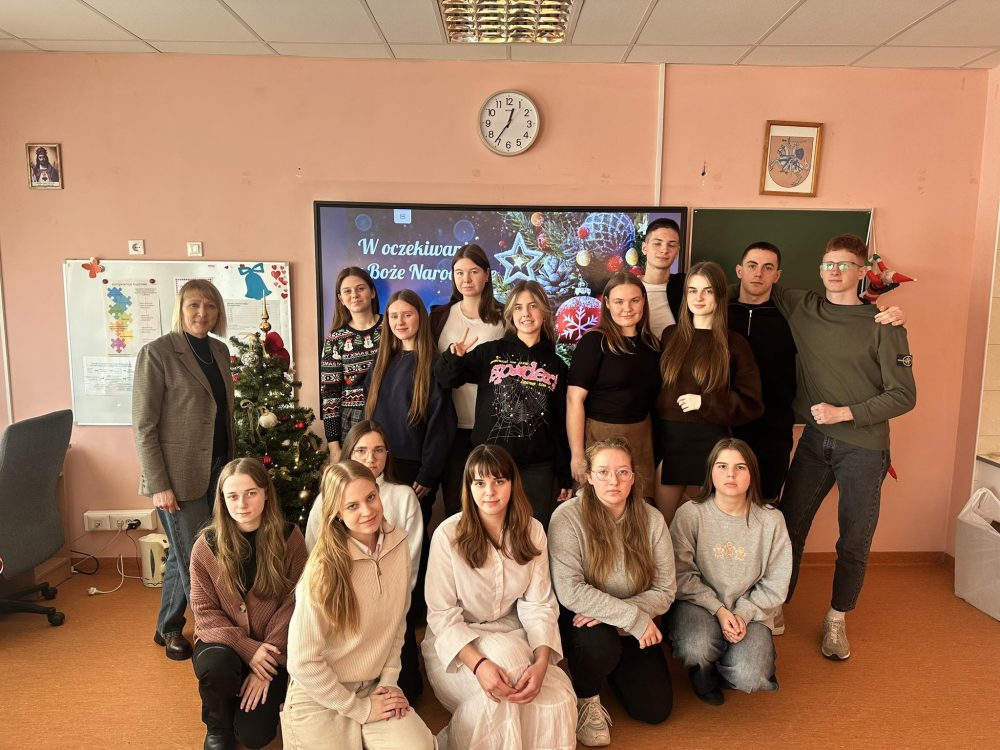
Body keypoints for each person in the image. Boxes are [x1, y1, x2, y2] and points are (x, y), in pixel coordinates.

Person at [768, 234, 916, 660]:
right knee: (788, 527)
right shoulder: (801, 306)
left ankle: (837, 618)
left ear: (862, 272)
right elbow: (754, 284)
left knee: (854, 539)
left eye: (844, 264)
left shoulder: (884, 325)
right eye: (828, 264)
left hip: (865, 449)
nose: (834, 271)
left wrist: (844, 412)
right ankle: (777, 604)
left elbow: (904, 396)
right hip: (814, 443)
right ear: (819, 269)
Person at [422, 444, 576, 750]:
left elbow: (539, 605)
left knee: (558, 697)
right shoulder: (447, 535)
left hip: (513, 634)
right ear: (469, 487)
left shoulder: (533, 531)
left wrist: (542, 663)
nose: (489, 492)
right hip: (456, 647)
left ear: (512, 484)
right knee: (503, 680)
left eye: (498, 481)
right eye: (479, 483)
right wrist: (479, 665)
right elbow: (442, 615)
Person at [282, 460, 435, 749]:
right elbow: (303, 662)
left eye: (370, 497)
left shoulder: (398, 544)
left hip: (374, 685)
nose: (367, 511)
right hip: (320, 693)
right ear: (337, 513)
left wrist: (389, 681)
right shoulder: (322, 570)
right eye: (352, 506)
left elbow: (397, 624)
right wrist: (359, 710)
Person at [549, 437, 676, 747]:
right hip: (585, 624)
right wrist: (633, 617)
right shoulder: (566, 517)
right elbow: (570, 591)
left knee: (655, 710)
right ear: (589, 477)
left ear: (633, 477)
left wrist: (622, 616)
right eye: (603, 472)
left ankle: (614, 666)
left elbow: (665, 590)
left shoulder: (652, 519)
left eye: (622, 472)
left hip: (628, 622)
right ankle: (587, 696)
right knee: (599, 645)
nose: (614, 481)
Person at [133, 279, 235, 661]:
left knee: (183, 552)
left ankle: (168, 626)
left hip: (219, 468)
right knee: (199, 557)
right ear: (181, 308)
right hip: (177, 477)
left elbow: (222, 414)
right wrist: (159, 485)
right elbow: (144, 426)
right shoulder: (157, 353)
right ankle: (213, 635)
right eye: (194, 305)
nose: (202, 313)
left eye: (210, 306)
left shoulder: (220, 351)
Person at [189, 458, 308, 750]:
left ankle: (243, 702)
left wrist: (265, 663)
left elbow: (295, 603)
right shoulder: (206, 545)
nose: (241, 504)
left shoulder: (290, 538)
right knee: (217, 667)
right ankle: (218, 724)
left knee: (254, 736)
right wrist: (247, 648)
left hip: (273, 648)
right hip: (222, 643)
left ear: (266, 493)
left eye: (251, 493)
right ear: (222, 500)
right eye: (232, 496)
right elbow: (204, 612)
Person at [435, 279, 572, 528]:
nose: (525, 313)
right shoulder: (490, 353)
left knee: (531, 534)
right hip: (490, 464)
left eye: (533, 306)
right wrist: (454, 356)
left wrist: (564, 474)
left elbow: (560, 423)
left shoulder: (557, 366)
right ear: (510, 314)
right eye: (518, 307)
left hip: (536, 468)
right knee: (485, 531)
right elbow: (446, 379)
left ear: (544, 312)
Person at [304, 420, 424, 702]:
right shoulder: (326, 499)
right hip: (343, 608)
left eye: (378, 450)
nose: (371, 458)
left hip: (391, 610)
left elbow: (411, 562)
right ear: (349, 453)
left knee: (408, 691)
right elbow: (314, 554)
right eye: (362, 451)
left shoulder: (404, 496)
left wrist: (385, 605)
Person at [667, 438, 791, 706]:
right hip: (699, 604)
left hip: (750, 610)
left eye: (740, 467)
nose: (730, 474)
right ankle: (702, 670)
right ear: (711, 472)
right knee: (696, 647)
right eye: (722, 466)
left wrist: (742, 614)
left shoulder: (772, 521)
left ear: (752, 474)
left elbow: (776, 582)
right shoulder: (690, 514)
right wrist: (720, 611)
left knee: (751, 676)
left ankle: (724, 661)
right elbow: (680, 573)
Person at [655, 261, 764, 523]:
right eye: (692, 291)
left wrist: (705, 402)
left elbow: (752, 403)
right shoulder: (670, 336)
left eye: (707, 291)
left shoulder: (734, 344)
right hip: (669, 443)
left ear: (719, 295)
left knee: (705, 528)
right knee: (662, 526)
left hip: (711, 445)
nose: (699, 297)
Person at [567, 272, 661, 496]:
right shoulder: (593, 341)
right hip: (600, 436)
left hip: (641, 438)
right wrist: (577, 455)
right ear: (607, 303)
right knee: (599, 506)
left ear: (644, 301)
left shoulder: (652, 345)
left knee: (640, 507)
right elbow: (574, 400)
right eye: (619, 301)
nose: (627, 308)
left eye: (634, 300)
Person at [430, 244, 505, 517]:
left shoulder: (505, 317)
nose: (466, 279)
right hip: (450, 426)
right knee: (456, 503)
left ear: (487, 274)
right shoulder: (439, 316)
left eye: (473, 272)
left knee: (492, 503)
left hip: (492, 426)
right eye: (459, 272)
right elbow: (433, 372)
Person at [728, 242, 798, 502]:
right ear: (739, 270)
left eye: (768, 268)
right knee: (723, 504)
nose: (758, 273)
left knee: (766, 504)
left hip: (773, 430)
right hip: (726, 427)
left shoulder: (793, 319)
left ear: (777, 275)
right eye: (752, 266)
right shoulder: (717, 314)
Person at [320, 267, 382, 461]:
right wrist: (334, 446)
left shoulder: (391, 328)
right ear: (340, 298)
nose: (354, 295)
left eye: (360, 288)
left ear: (372, 292)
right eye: (347, 291)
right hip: (352, 422)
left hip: (390, 414)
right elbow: (330, 394)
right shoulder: (335, 339)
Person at [639, 217, 686, 338]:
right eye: (657, 243)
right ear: (644, 248)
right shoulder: (627, 288)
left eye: (671, 245)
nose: (664, 250)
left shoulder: (687, 286)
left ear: (677, 251)